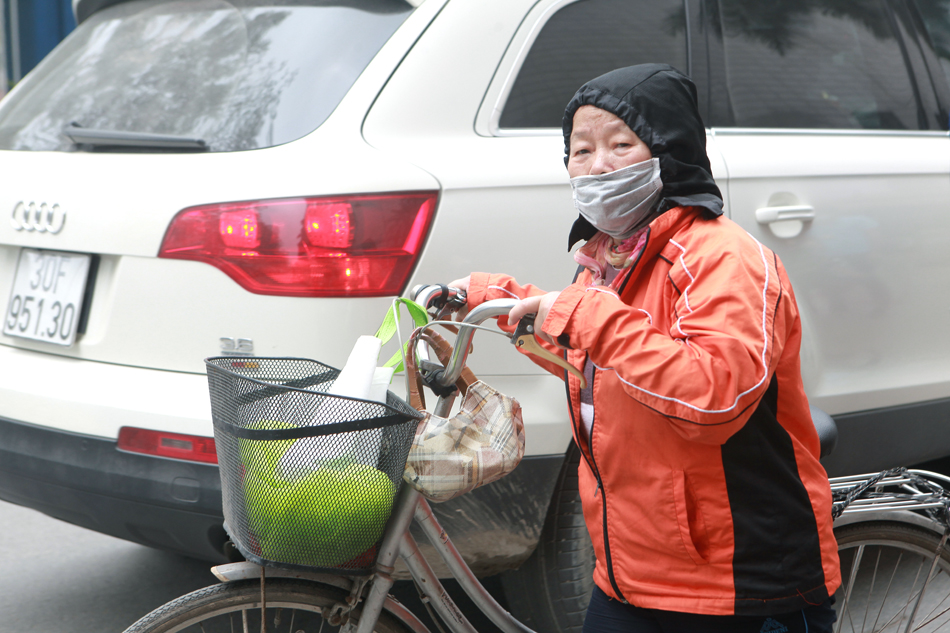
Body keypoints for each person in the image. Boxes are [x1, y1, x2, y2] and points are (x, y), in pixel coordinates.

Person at [449, 64, 840, 633]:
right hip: (628, 574)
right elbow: (602, 360)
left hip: (737, 584)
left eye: (620, 144)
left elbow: (714, 396)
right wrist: (495, 299)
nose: (596, 165)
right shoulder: (610, 256)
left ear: (668, 150)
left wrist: (585, 313)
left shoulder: (722, 258)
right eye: (580, 150)